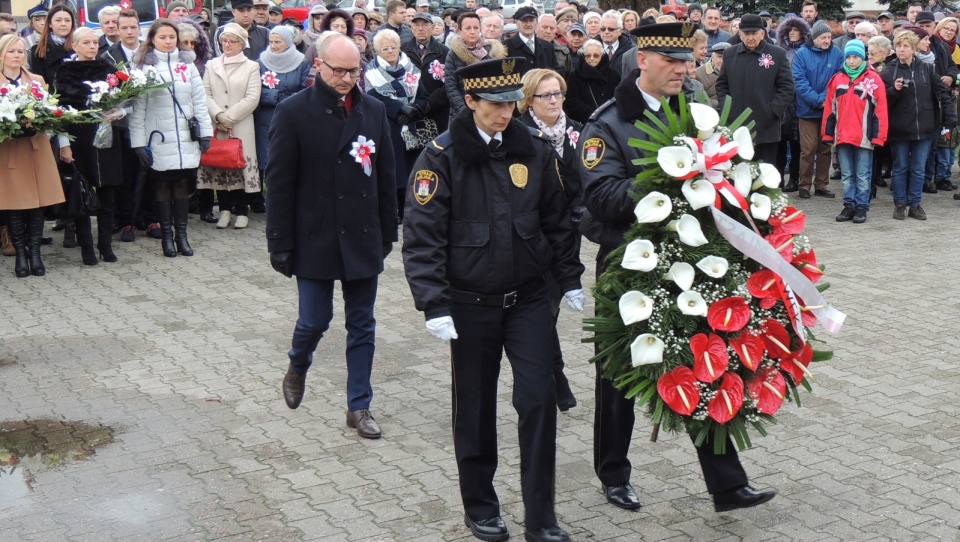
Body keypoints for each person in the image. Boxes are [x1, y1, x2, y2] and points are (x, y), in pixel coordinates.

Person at [579, 22, 776, 515]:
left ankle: (727, 485)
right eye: (673, 60)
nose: (684, 69)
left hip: (692, 263)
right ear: (643, 60)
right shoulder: (606, 124)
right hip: (629, 266)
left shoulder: (694, 114)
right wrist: (666, 182)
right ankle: (614, 474)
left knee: (701, 364)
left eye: (688, 60)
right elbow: (600, 197)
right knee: (619, 379)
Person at [402, 56, 583, 542]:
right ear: (471, 102)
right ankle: (480, 506)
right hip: (469, 304)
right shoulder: (440, 156)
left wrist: (568, 278)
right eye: (495, 104)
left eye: (510, 103)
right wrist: (433, 303)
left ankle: (541, 516)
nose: (505, 113)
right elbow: (423, 237)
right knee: (476, 410)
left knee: (539, 401)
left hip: (527, 299)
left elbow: (556, 220)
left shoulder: (532, 150)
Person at [268, 34, 397, 440]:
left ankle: (359, 405)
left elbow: (386, 175)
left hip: (361, 234)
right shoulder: (293, 112)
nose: (346, 78)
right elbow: (280, 183)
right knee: (314, 319)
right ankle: (298, 362)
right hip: (316, 235)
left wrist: (388, 230)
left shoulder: (373, 110)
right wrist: (279, 242)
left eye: (353, 70)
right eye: (338, 70)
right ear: (318, 66)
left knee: (362, 324)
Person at [516, 68, 582, 412]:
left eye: (558, 93)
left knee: (550, 311)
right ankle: (554, 379)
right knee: (543, 313)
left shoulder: (577, 133)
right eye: (546, 95)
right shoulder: (519, 136)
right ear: (529, 100)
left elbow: (587, 179)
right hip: (532, 238)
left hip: (566, 236)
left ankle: (554, 378)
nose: (554, 100)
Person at [130, 19, 213, 257]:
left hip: (186, 137)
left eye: (171, 37)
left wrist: (205, 133)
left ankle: (182, 236)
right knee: (163, 185)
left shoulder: (187, 67)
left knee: (183, 186)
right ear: (152, 40)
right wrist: (138, 144)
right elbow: (139, 110)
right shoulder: (145, 70)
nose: (168, 42)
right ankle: (167, 237)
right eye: (162, 37)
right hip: (159, 138)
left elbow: (199, 101)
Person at [55, 27, 128, 265]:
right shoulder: (65, 71)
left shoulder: (108, 69)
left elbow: (125, 98)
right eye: (86, 43)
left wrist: (119, 111)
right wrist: (64, 144)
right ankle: (86, 246)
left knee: (108, 193)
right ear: (74, 46)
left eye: (95, 43)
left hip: (106, 137)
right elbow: (60, 111)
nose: (92, 47)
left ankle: (105, 244)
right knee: (82, 193)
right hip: (80, 138)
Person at [0, 34, 65, 277]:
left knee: (38, 203)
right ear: (2, 54)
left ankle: (35, 253)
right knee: (15, 203)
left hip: (35, 146)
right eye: (11, 51)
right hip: (9, 150)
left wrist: (39, 125)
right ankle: (20, 254)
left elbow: (49, 113)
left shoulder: (36, 79)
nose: (17, 55)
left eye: (20, 51)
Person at [879, 30, 954, 220]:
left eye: (905, 46)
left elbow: (942, 93)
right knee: (901, 167)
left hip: (925, 127)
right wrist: (893, 90)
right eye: (898, 46)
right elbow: (881, 101)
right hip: (899, 127)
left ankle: (915, 204)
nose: (901, 49)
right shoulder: (889, 70)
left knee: (919, 168)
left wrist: (950, 117)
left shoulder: (927, 68)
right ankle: (900, 204)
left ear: (913, 48)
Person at [200, 23, 262, 230]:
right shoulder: (212, 65)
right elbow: (205, 93)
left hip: (240, 124)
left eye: (232, 41)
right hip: (217, 124)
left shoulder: (251, 66)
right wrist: (218, 114)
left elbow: (252, 97)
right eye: (224, 41)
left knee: (238, 165)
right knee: (220, 165)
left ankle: (242, 211)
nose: (227, 44)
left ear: (242, 44)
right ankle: (225, 210)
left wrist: (230, 117)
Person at [364, 29, 428, 222]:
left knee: (413, 169)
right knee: (393, 170)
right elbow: (372, 96)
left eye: (393, 47)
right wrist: (399, 109)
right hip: (389, 125)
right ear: (377, 51)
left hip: (412, 126)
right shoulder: (372, 71)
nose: (390, 51)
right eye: (385, 48)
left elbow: (423, 95)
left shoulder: (411, 68)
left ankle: (412, 208)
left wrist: (413, 109)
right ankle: (394, 211)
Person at [716, 14, 795, 166]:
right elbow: (722, 85)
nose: (750, 38)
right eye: (746, 33)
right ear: (739, 34)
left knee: (765, 177)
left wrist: (772, 111)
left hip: (766, 128)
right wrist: (727, 110)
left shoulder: (777, 54)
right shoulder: (730, 54)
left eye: (754, 33)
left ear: (762, 33)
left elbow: (787, 86)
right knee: (738, 174)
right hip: (736, 126)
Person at [823, 40, 888, 224]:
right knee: (847, 175)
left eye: (856, 57)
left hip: (864, 138)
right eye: (849, 57)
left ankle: (861, 206)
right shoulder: (837, 80)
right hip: (842, 137)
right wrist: (828, 134)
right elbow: (830, 109)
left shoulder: (874, 80)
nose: (851, 61)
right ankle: (848, 205)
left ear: (863, 58)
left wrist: (878, 136)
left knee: (863, 174)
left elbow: (881, 111)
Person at [256, 26, 310, 207]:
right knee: (267, 158)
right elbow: (255, 89)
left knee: (289, 158)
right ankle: (267, 196)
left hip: (292, 118)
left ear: (287, 42)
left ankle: (288, 197)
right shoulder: (261, 62)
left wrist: (283, 99)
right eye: (271, 42)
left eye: (278, 42)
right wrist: (275, 96)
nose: (273, 45)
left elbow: (305, 90)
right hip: (267, 117)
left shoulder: (301, 62)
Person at [792, 20, 841, 199]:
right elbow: (799, 81)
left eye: (829, 37)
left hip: (828, 111)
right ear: (814, 38)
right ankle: (804, 185)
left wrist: (825, 100)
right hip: (807, 111)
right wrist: (817, 100)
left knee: (825, 148)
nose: (827, 41)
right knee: (808, 149)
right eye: (823, 37)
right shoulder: (802, 54)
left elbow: (839, 78)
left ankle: (821, 184)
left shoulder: (836, 53)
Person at [444, 12, 505, 121]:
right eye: (468, 28)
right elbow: (450, 86)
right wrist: (464, 110)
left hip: (488, 111)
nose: (472, 32)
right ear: (459, 31)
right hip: (461, 112)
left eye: (476, 28)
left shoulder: (490, 51)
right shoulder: (453, 53)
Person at [775, 16, 810, 192]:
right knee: (780, 142)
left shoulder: (806, 51)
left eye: (796, 30)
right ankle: (778, 177)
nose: (793, 33)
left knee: (796, 144)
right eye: (790, 30)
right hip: (783, 102)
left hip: (799, 102)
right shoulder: (780, 51)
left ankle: (794, 179)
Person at [402, 12, 450, 132]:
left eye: (424, 25)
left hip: (437, 111)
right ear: (412, 28)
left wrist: (430, 103)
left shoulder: (444, 51)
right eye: (416, 25)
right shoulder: (402, 50)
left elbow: (450, 82)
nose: (420, 29)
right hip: (409, 112)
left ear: (433, 28)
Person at [564, 39, 618, 122]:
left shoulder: (613, 75)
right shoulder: (575, 75)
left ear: (602, 56)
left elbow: (617, 98)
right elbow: (572, 101)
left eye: (596, 55)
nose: (592, 58)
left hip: (609, 120)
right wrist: (593, 115)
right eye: (588, 56)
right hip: (584, 122)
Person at [29, 4, 74, 87]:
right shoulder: (39, 50)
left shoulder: (79, 46)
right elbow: (40, 83)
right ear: (50, 24)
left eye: (67, 20)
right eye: (58, 20)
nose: (63, 24)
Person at [507, 7, 557, 73]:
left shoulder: (548, 46)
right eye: (524, 20)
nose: (528, 24)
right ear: (516, 23)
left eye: (531, 20)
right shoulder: (506, 47)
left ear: (536, 23)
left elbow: (555, 71)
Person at [696, 41, 729, 108]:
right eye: (719, 57)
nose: (722, 61)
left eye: (726, 57)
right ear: (712, 57)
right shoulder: (699, 73)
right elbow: (699, 100)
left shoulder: (736, 71)